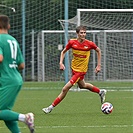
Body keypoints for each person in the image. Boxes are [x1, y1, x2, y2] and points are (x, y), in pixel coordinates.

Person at [42, 25, 106, 114]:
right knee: (82, 86)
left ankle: (50, 107)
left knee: (65, 89)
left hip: (81, 71)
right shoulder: (72, 42)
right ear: (77, 33)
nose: (83, 35)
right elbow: (63, 52)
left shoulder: (89, 44)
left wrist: (99, 65)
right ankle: (100, 91)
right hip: (74, 69)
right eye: (81, 33)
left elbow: (98, 51)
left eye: (84, 33)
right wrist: (61, 62)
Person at [0, 15, 34, 133]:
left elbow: (0, 58)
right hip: (15, 78)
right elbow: (22, 65)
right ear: (8, 26)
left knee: (1, 112)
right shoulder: (13, 40)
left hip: (6, 80)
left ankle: (25, 117)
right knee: (5, 112)